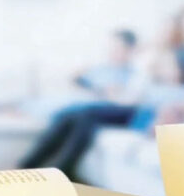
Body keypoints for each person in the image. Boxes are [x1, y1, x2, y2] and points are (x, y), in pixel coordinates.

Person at [18, 29, 141, 180]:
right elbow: (79, 81)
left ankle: (35, 167)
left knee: (79, 116)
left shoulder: (132, 74)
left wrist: (111, 92)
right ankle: (38, 168)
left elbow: (128, 98)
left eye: (117, 48)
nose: (112, 52)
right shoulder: (101, 68)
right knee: (72, 116)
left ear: (130, 50)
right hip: (89, 107)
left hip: (111, 110)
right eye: (111, 48)